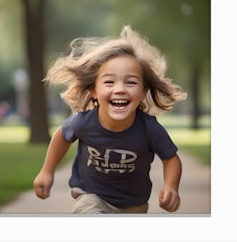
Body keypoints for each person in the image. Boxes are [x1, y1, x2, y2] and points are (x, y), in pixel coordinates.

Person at [33, 26, 187, 214]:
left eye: (131, 82)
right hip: (91, 196)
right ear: (94, 91)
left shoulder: (149, 129)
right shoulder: (83, 123)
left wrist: (171, 187)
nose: (120, 89)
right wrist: (47, 171)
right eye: (109, 82)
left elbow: (171, 159)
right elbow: (62, 136)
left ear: (143, 92)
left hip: (134, 204)